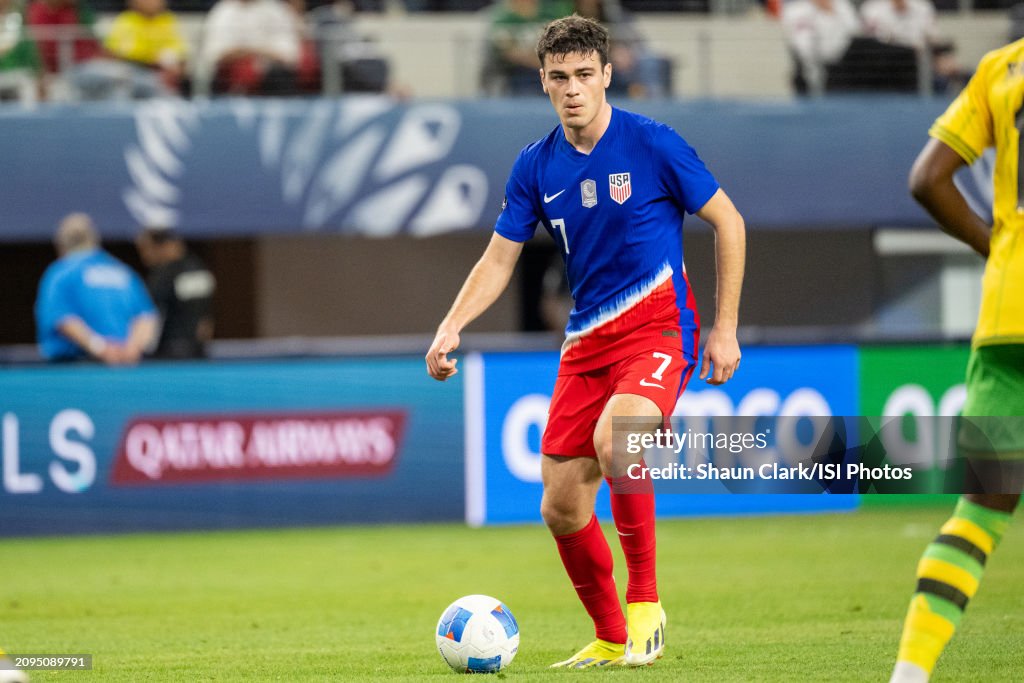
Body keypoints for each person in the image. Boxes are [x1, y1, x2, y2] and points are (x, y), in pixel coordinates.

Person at [426, 15, 745, 669]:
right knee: (562, 504)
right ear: (543, 82)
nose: (572, 89)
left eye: (582, 75)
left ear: (606, 75)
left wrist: (725, 327)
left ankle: (646, 601)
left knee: (617, 438)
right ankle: (609, 635)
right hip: (586, 343)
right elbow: (499, 259)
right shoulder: (534, 165)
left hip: (659, 329)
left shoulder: (653, 143)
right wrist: (452, 323)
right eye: (558, 77)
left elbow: (729, 221)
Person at [889, 38, 1024, 683]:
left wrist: (996, 247)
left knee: (981, 511)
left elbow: (928, 179)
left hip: (1008, 314)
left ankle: (911, 673)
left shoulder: (1003, 66)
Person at [35, 213, 157, 365]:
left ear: (60, 245)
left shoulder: (60, 273)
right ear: (94, 240)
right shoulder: (122, 271)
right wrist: (133, 347)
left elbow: (61, 317)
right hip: (124, 365)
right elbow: (146, 317)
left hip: (74, 367)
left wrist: (100, 348)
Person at [135, 227, 215, 360]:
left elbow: (150, 314)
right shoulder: (200, 267)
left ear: (163, 246)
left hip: (171, 351)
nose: (144, 256)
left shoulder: (164, 275)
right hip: (199, 348)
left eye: (147, 249)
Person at [199, 0, 301, 96]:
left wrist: (252, 52)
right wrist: (252, 54)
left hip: (272, 78)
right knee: (239, 73)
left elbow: (290, 54)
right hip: (232, 77)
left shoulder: (276, 9)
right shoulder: (223, 11)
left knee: (281, 76)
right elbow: (213, 55)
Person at [103, 0, 188, 96]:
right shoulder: (126, 20)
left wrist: (176, 69)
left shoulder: (168, 20)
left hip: (161, 74)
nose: (151, 2)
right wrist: (151, 58)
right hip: (132, 73)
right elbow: (114, 53)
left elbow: (180, 54)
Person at [781, 0, 860, 94]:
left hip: (841, 62)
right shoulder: (796, 9)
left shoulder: (841, 4)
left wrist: (830, 12)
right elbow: (802, 45)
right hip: (808, 64)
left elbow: (854, 28)